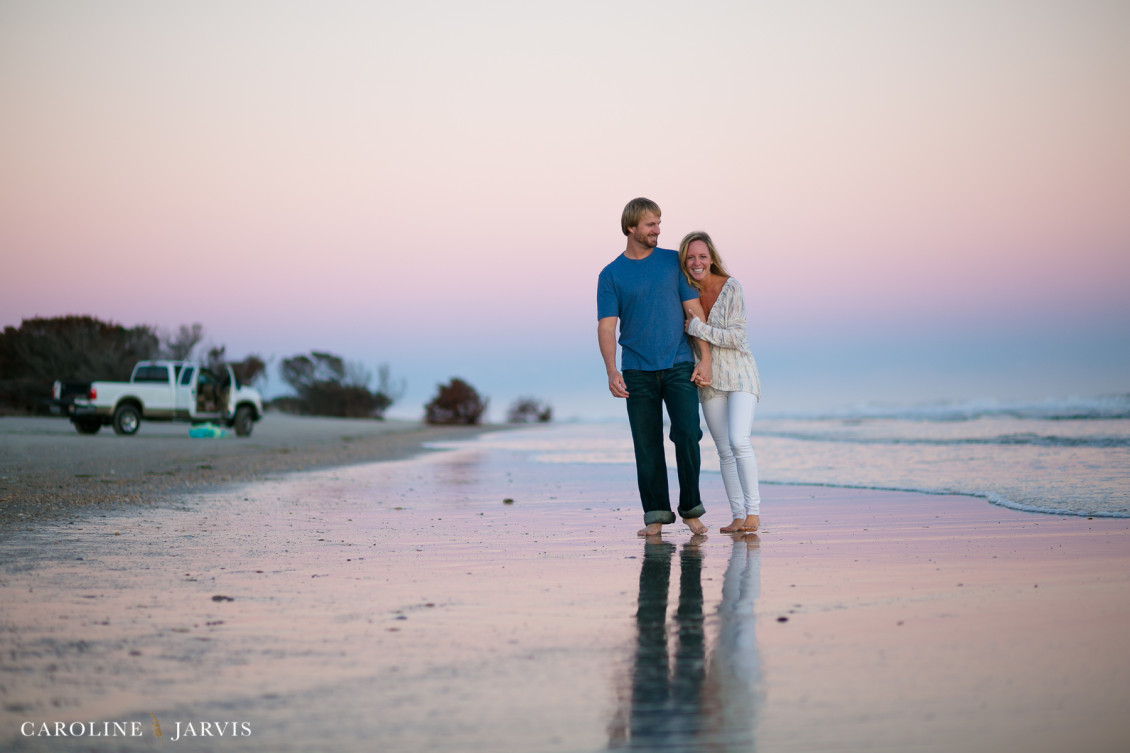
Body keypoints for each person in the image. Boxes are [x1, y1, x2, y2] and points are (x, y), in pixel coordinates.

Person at [598, 198, 712, 537]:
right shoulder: (611, 274)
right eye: (651, 224)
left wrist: (704, 358)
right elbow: (607, 327)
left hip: (679, 364)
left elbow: (694, 313)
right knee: (646, 444)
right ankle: (656, 516)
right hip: (636, 370)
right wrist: (611, 371)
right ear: (631, 226)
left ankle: (691, 509)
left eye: (659, 223)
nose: (658, 231)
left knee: (688, 434)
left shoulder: (672, 263)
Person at [679, 231, 763, 533]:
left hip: (741, 374)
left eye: (702, 256)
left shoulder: (731, 287)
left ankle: (753, 511)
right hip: (710, 381)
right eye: (690, 257)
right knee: (724, 450)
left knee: (740, 441)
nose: (697, 262)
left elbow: (737, 339)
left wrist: (700, 328)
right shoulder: (685, 293)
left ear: (712, 258)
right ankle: (738, 515)